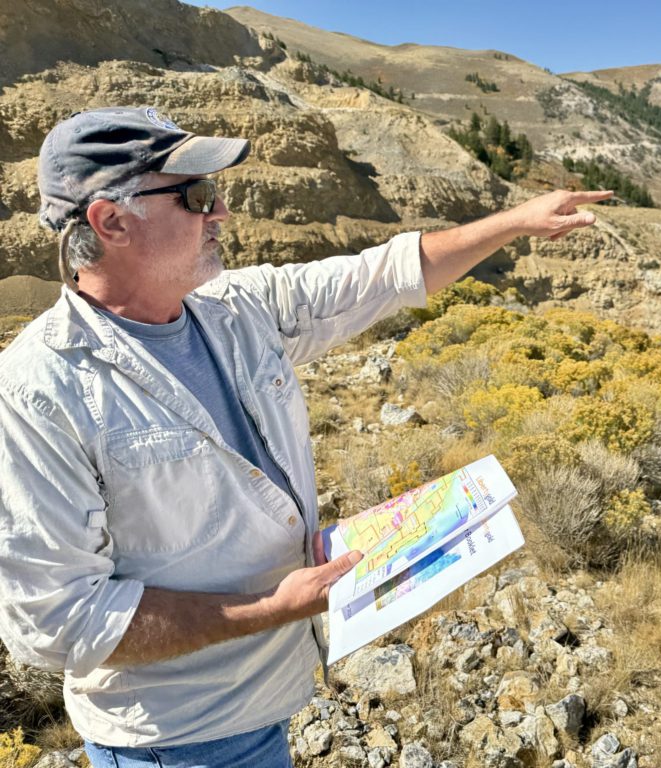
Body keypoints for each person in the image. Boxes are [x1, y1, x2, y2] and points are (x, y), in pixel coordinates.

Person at [0, 106, 611, 767]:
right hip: (179, 740)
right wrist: (267, 608)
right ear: (111, 221)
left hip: (267, 699)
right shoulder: (38, 389)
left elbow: (382, 275)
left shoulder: (235, 308)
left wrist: (517, 222)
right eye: (196, 195)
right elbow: (56, 618)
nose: (221, 213)